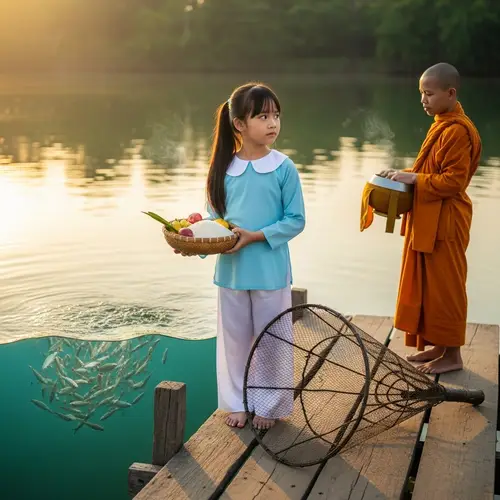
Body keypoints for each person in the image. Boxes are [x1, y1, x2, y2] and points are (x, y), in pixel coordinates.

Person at [179, 82, 305, 429]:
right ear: (239, 124)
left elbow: (296, 220)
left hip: (270, 270)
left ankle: (269, 405)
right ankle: (237, 402)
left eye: (276, 115)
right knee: (234, 342)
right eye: (263, 116)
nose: (273, 123)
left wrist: (255, 236)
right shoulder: (223, 169)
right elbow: (214, 222)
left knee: (272, 339)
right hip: (232, 271)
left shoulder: (283, 168)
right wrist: (194, 245)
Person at [375, 62, 482, 374]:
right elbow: (430, 172)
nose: (423, 99)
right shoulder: (442, 123)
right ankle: (439, 345)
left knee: (447, 287)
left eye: (429, 93)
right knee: (431, 287)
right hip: (430, 219)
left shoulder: (458, 131)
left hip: (447, 222)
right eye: (421, 93)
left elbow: (453, 182)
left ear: (450, 94)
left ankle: (453, 356)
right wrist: (400, 175)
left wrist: (414, 180)